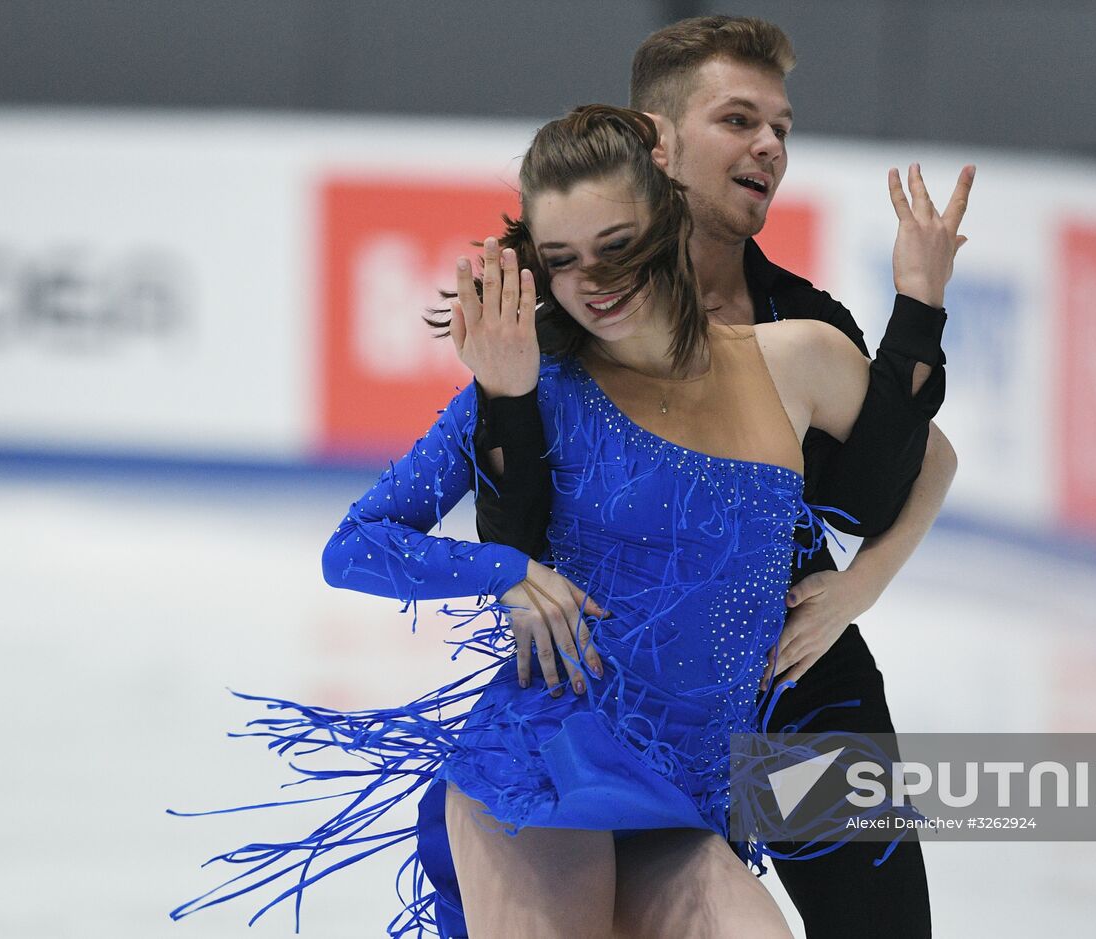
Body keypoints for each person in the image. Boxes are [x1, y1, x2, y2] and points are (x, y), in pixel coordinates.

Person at [169, 104, 965, 938]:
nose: (593, 281)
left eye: (615, 246)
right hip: (545, 767)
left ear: (665, 217)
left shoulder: (796, 359)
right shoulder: (537, 384)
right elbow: (355, 545)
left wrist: (858, 587)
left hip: (688, 799)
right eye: (562, 260)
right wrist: (507, 572)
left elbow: (925, 456)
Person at [468, 16, 969, 936]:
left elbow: (904, 470)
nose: (770, 146)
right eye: (739, 120)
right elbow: (514, 523)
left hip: (794, 683)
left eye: (781, 127)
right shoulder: (567, 317)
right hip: (626, 695)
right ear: (658, 141)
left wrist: (860, 584)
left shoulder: (798, 320)